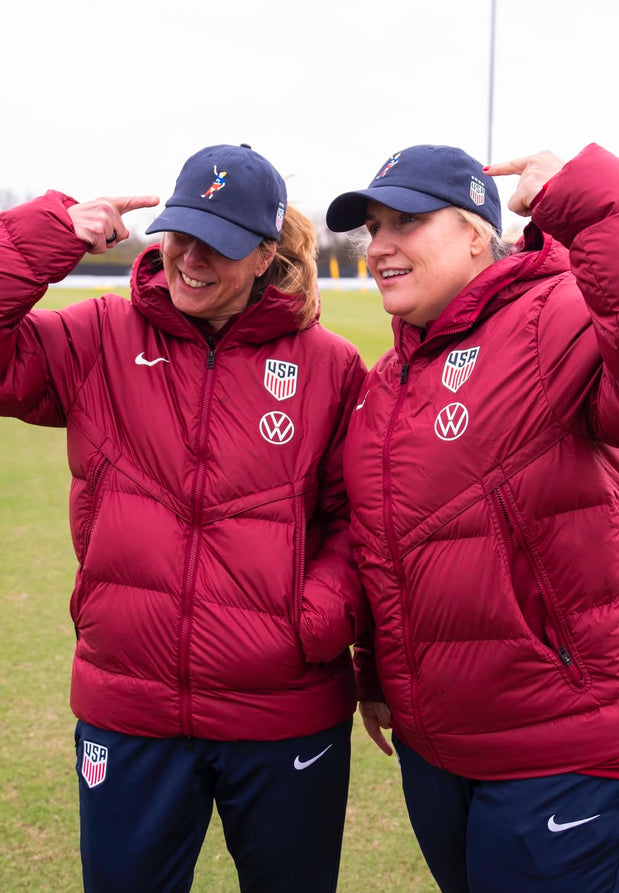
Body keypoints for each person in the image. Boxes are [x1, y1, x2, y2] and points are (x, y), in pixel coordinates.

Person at [325, 142, 619, 893]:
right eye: (373, 227)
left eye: (406, 221)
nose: (379, 247)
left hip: (576, 754)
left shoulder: (555, 311)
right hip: (445, 753)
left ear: (478, 231)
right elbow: (391, 546)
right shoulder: (386, 381)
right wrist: (375, 669)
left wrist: (595, 200)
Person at [0, 143, 367, 893]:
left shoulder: (330, 367)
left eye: (220, 243)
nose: (189, 258)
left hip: (283, 710)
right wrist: (48, 232)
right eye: (180, 232)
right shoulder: (97, 336)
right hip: (129, 706)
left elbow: (357, 521)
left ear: (265, 255)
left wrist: (311, 619)